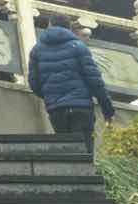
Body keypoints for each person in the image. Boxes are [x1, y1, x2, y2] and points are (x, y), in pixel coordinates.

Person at [28, 12, 115, 155]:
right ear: (69, 28)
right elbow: (95, 81)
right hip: (81, 108)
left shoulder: (37, 50)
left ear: (50, 25)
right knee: (84, 152)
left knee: (67, 153)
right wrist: (107, 109)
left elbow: (34, 83)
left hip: (56, 110)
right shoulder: (79, 47)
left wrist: (50, 95)